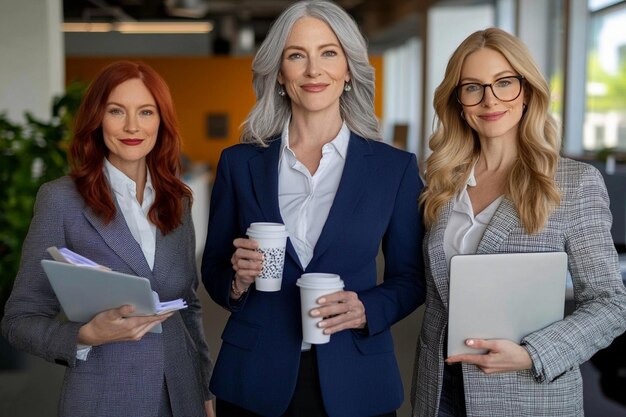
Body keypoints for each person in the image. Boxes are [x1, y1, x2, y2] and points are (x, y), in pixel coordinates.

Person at [201, 1, 425, 416]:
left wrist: (366, 308)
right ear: (280, 74)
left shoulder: (393, 169)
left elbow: (411, 278)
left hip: (356, 378)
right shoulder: (239, 163)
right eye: (296, 55)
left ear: (349, 70)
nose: (313, 70)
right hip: (253, 375)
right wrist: (235, 281)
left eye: (328, 52)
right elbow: (213, 266)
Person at [410, 27, 626, 417]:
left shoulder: (572, 183)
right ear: (458, 101)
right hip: (439, 390)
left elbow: (611, 304)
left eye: (504, 83)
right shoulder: (443, 182)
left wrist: (532, 355)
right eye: (473, 87)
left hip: (527, 395)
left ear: (526, 92)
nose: (490, 99)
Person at [1, 61, 215, 417]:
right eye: (117, 111)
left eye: (146, 112)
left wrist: (204, 391)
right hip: (106, 397)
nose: (133, 126)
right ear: (97, 119)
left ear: (161, 121)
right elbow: (19, 320)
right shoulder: (61, 200)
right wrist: (85, 336)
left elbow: (188, 306)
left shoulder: (177, 200)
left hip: (183, 395)